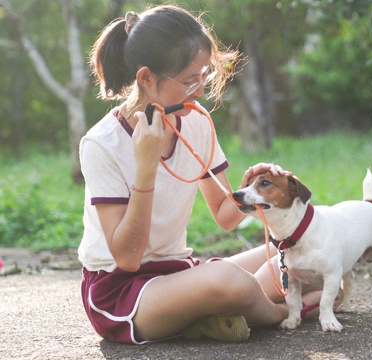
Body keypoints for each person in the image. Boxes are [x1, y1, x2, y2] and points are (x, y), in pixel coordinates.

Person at [78, 5, 320, 345]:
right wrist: (145, 169)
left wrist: (250, 192)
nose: (201, 89)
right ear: (146, 78)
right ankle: (285, 312)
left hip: (179, 273)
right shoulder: (102, 143)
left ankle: (210, 314)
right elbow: (127, 259)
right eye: (191, 80)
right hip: (121, 292)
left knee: (304, 251)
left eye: (204, 75)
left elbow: (225, 216)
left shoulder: (194, 121)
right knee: (227, 280)